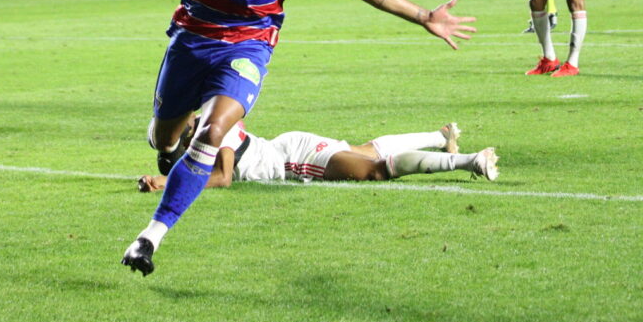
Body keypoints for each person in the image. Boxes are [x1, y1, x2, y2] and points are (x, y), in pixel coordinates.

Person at [4, 0, 477, 276]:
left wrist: (422, 16)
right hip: (191, 43)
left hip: (248, 48)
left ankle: (149, 239)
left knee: (213, 132)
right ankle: (170, 152)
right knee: (165, 139)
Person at [137, 121, 498, 192]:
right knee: (367, 151)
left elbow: (224, 177)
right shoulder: (213, 117)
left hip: (294, 160)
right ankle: (440, 136)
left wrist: (169, 183)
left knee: (372, 171)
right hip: (289, 146)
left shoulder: (213, 130)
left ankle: (469, 161)